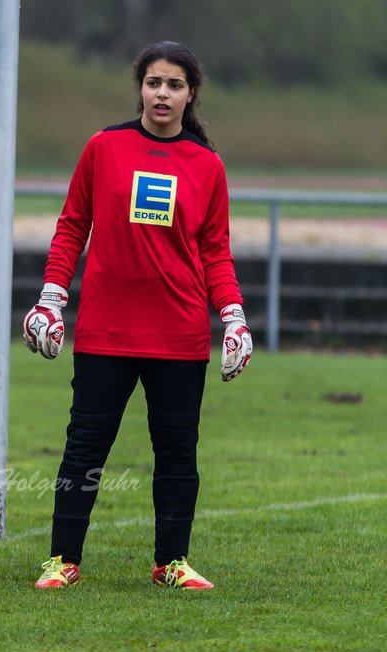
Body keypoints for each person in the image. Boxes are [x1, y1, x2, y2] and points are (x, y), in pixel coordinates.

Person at [22, 40, 253, 591]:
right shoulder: (105, 146)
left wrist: (235, 317)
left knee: (176, 452)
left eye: (175, 85)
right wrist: (51, 297)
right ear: (140, 88)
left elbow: (216, 251)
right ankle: (62, 561)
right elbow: (73, 224)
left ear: (190, 93)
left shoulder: (207, 165)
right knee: (84, 448)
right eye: (154, 83)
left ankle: (171, 563)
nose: (163, 94)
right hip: (106, 331)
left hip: (180, 334)